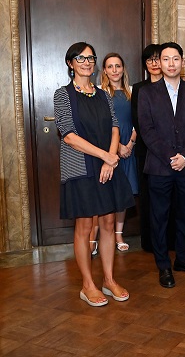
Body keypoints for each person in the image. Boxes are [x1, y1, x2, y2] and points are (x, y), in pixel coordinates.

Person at [54, 41, 133, 306]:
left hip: (107, 166)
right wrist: (105, 156)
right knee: (85, 226)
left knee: (108, 222)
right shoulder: (63, 95)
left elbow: (114, 127)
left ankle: (109, 280)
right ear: (70, 63)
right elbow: (68, 135)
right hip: (80, 167)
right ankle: (87, 285)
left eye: (90, 58)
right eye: (80, 58)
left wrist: (110, 160)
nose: (87, 62)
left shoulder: (103, 94)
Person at [138, 42, 185, 288]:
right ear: (159, 63)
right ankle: (163, 265)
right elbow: (147, 131)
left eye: (175, 59)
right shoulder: (147, 93)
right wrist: (171, 157)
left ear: (182, 62)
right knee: (160, 217)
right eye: (165, 59)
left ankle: (183, 259)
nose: (170, 64)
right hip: (160, 167)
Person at [97, 53, 138, 252]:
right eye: (110, 66)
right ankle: (99, 237)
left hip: (130, 148)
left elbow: (139, 120)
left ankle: (118, 235)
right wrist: (118, 146)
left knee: (124, 193)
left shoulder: (132, 92)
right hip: (109, 149)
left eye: (118, 66)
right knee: (106, 194)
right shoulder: (99, 92)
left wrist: (130, 143)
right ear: (104, 70)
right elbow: (100, 124)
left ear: (123, 69)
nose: (114, 70)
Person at [131, 44, 162, 252]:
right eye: (149, 59)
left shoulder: (172, 85)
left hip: (170, 151)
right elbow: (137, 120)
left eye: (157, 58)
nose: (154, 63)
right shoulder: (139, 88)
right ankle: (149, 242)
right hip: (146, 150)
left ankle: (168, 240)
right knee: (147, 196)